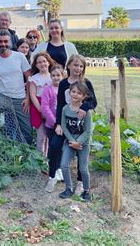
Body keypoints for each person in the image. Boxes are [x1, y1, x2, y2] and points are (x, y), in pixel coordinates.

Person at [47, 54, 97, 194]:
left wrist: (84, 108)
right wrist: (58, 124)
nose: (78, 68)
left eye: (81, 66)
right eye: (75, 65)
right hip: (66, 123)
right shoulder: (63, 84)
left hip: (81, 126)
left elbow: (93, 102)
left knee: (81, 151)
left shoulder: (86, 83)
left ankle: (80, 182)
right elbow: (60, 105)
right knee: (55, 145)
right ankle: (52, 176)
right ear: (68, 65)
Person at [58, 82, 93, 202]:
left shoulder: (86, 112)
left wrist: (79, 142)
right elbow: (64, 126)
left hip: (83, 143)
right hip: (70, 141)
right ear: (69, 92)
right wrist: (72, 141)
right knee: (64, 165)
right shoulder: (65, 109)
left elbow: (88, 131)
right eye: (73, 91)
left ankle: (87, 191)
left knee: (83, 169)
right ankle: (68, 188)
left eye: (79, 93)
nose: (75, 94)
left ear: (83, 96)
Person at [41, 65, 65, 192]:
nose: (56, 77)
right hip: (51, 125)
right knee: (53, 147)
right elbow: (45, 108)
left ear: (63, 76)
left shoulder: (65, 90)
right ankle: (53, 171)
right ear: (50, 76)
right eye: (53, 75)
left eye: (58, 75)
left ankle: (59, 169)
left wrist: (62, 123)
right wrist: (55, 123)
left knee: (61, 147)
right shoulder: (48, 90)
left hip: (63, 125)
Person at [29, 52, 56, 155]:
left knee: (50, 135)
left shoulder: (53, 76)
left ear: (49, 62)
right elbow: (32, 95)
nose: (42, 64)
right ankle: (39, 160)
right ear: (36, 65)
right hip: (38, 107)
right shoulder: (34, 79)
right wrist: (41, 109)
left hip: (51, 106)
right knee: (41, 136)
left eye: (44, 61)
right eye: (39, 62)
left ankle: (48, 158)